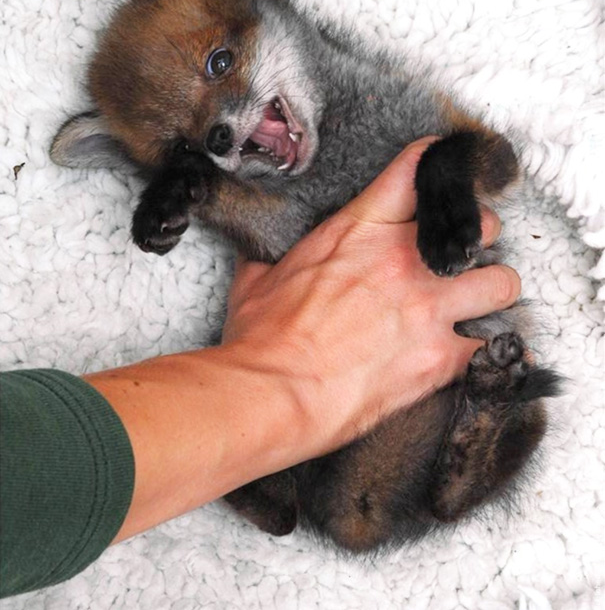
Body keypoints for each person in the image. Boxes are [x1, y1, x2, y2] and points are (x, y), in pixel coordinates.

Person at [0, 138, 520, 598]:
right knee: (361, 509)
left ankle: (264, 464)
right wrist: (281, 377)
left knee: (360, 509)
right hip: (367, 474)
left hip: (358, 473)